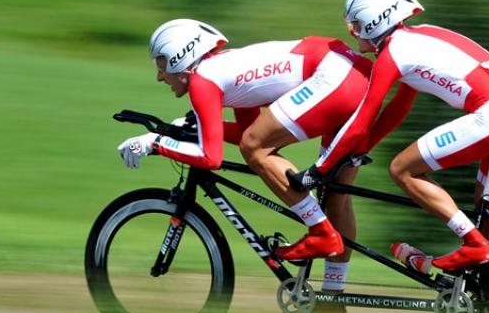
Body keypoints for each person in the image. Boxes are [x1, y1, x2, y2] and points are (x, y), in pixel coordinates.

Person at [290, 0, 489, 272]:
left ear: (374, 22)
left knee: (402, 169)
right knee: (488, 221)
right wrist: (358, 150)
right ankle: (488, 291)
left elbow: (362, 120)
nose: (353, 33)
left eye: (356, 25)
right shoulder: (417, 38)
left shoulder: (392, 55)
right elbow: (399, 108)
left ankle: (471, 242)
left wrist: (319, 169)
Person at [117, 18, 372, 292]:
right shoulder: (223, 69)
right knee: (337, 197)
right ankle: (333, 297)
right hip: (351, 74)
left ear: (181, 59)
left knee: (254, 148)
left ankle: (320, 232)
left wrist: (154, 143)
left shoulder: (202, 81)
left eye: (162, 64)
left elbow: (211, 158)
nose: (159, 75)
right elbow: (248, 132)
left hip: (334, 76)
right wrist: (187, 128)